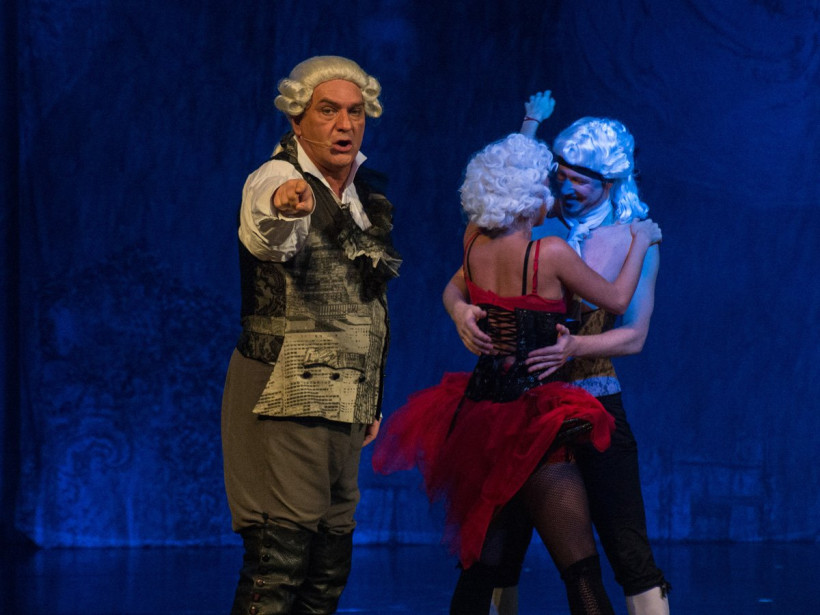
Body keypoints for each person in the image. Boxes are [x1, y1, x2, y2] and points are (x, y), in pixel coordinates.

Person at [373, 133, 661, 615]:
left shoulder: (473, 241)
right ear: (531, 195)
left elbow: (452, 290)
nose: (556, 191)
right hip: (536, 419)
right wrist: (640, 241)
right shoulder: (549, 252)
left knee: (482, 566)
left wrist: (460, 311)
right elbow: (615, 299)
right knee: (580, 571)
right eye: (549, 182)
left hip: (483, 416)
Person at [445, 97, 671, 615]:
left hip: (589, 402)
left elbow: (633, 336)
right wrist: (460, 312)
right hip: (527, 407)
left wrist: (576, 345)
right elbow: (464, 273)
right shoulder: (539, 232)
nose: (565, 189)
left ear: (610, 182)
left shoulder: (630, 238)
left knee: (625, 546)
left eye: (579, 181)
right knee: (503, 550)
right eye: (559, 176)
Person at [221, 55, 401, 615]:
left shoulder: (359, 194)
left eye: (355, 112)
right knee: (279, 560)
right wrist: (284, 209)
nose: (345, 125)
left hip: (345, 396)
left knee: (327, 567)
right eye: (328, 111)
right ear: (297, 120)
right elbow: (270, 233)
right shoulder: (279, 179)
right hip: (284, 389)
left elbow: (363, 303)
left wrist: (370, 398)